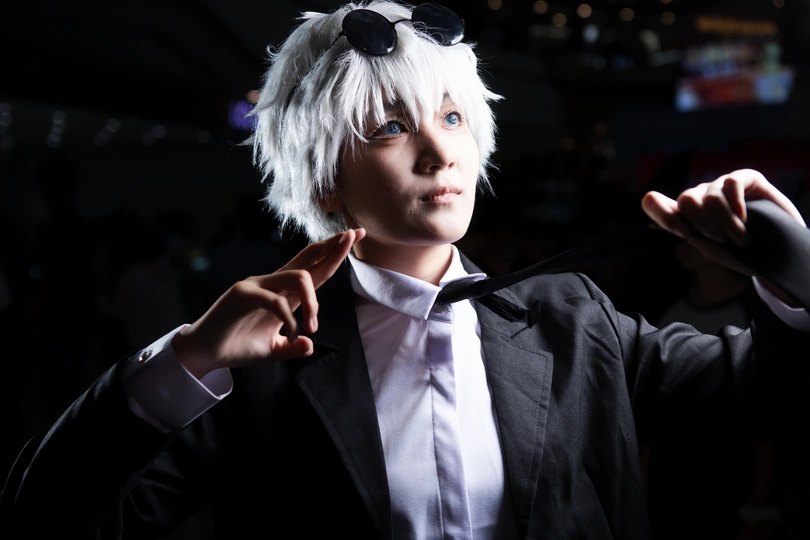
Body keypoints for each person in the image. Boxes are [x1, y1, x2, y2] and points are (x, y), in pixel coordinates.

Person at [1, 2, 808, 539]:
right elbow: (46, 518)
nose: (439, 151)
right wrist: (188, 359)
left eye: (453, 117)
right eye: (390, 127)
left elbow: (773, 394)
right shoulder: (263, 363)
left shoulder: (572, 318)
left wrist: (792, 275)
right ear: (324, 178)